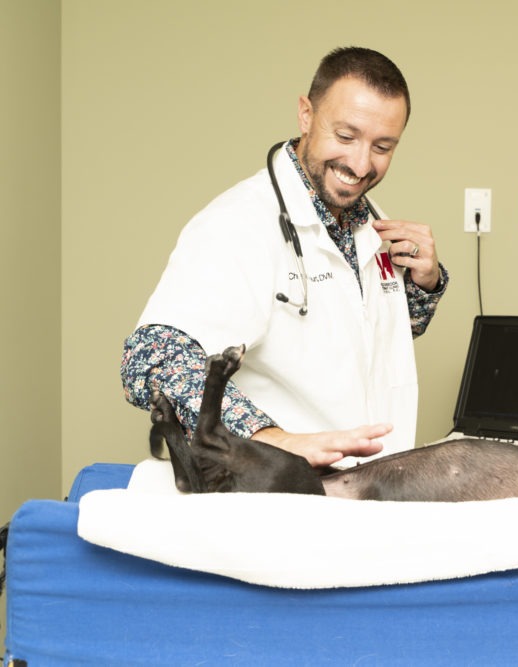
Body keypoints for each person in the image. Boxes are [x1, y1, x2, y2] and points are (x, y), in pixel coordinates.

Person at [121, 47, 447, 469]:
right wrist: (269, 438)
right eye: (346, 137)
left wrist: (427, 284)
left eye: (382, 146)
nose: (361, 163)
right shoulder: (239, 222)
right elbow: (151, 356)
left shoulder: (372, 223)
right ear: (306, 114)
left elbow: (361, 341)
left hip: (373, 487)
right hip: (283, 493)